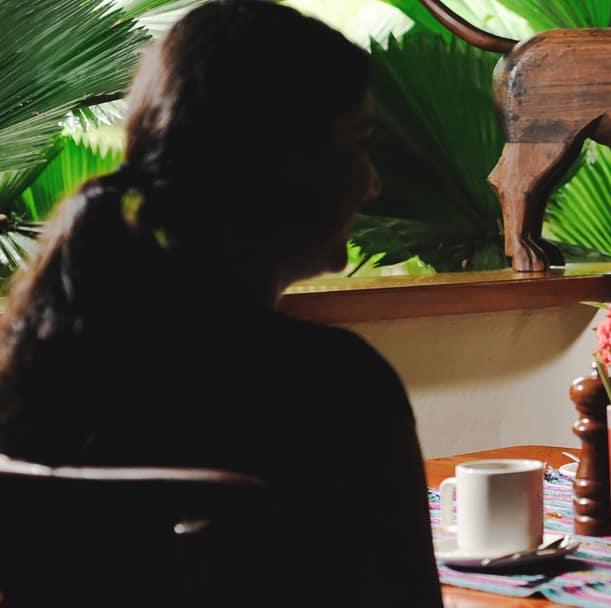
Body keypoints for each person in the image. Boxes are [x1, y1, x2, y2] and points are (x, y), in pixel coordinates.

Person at [0, 1, 441, 604]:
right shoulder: (338, 388)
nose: (373, 182)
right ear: (277, 162)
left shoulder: (36, 364)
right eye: (357, 143)